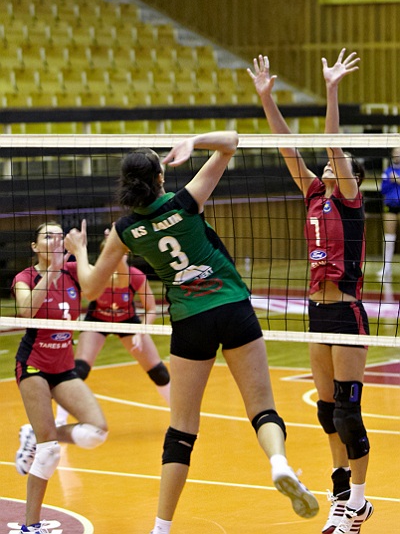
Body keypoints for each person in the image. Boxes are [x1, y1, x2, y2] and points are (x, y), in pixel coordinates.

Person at [64, 131, 319, 534]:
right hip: (233, 307)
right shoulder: (186, 200)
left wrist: (79, 252)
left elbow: (91, 289)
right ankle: (279, 463)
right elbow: (232, 141)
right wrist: (194, 142)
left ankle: (161, 528)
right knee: (262, 408)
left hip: (189, 320)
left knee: (182, 429)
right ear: (160, 178)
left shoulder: (125, 230)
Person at [248, 49, 373, 534]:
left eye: (336, 164)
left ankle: (358, 504)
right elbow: (288, 149)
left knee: (348, 412)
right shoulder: (314, 195)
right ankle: (342, 495)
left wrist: (331, 90)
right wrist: (267, 98)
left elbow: (332, 144)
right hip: (316, 313)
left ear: (352, 178)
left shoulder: (349, 200)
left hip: (347, 314)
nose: (326, 165)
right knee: (326, 413)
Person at [12, 222, 108, 534]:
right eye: (47, 236)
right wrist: (52, 270)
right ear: (35, 246)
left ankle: (35, 434)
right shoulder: (25, 278)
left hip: (63, 367)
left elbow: (93, 291)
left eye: (58, 235)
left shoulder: (73, 271)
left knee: (96, 432)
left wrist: (82, 251)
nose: (54, 240)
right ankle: (30, 526)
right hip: (34, 366)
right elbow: (26, 311)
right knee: (49, 450)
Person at [55, 234, 170, 426]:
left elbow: (150, 309)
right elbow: (77, 290)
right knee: (79, 370)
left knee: (159, 372)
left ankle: (178, 417)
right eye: (112, 253)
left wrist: (141, 331)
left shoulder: (135, 277)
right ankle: (59, 420)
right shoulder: (93, 275)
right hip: (98, 320)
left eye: (121, 253)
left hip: (127, 322)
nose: (118, 257)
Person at [377, 147, 400, 280]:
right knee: (389, 238)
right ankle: (386, 267)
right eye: (395, 153)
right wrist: (391, 180)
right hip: (391, 205)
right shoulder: (387, 171)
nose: (397, 155)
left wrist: (398, 180)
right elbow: (383, 189)